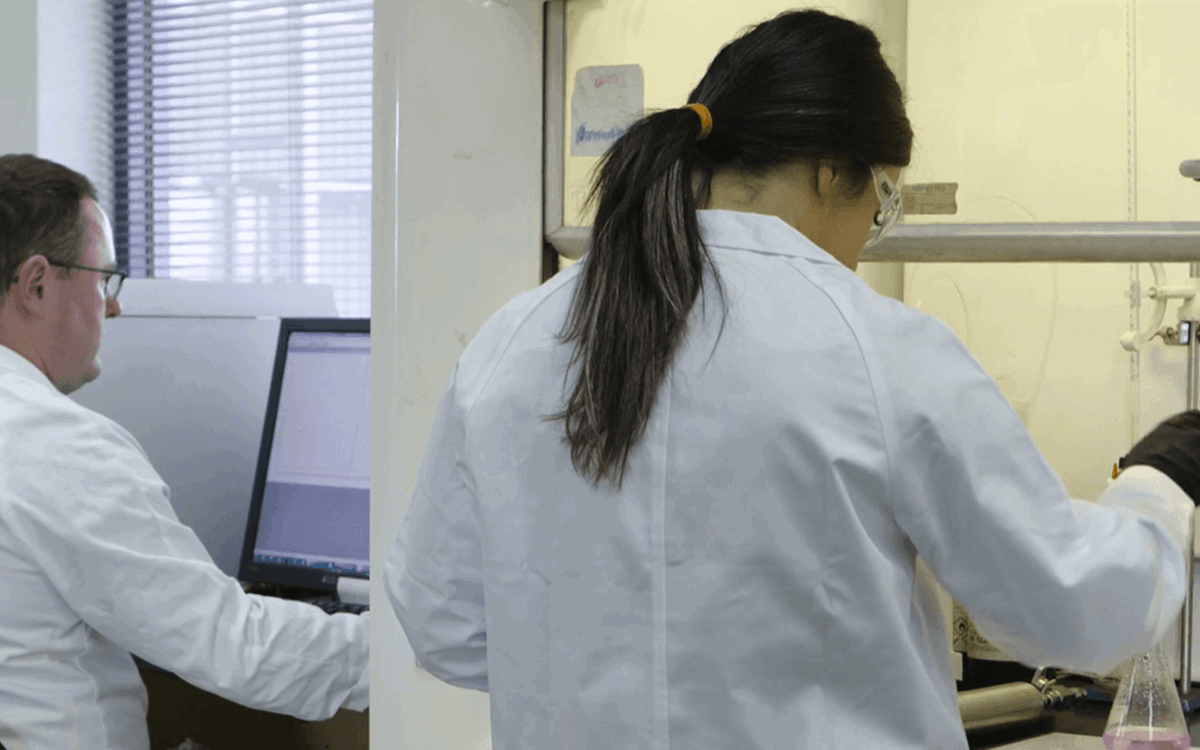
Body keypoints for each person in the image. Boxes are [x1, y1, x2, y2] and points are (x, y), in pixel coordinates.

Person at [384, 8, 1196, 750]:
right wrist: (1162, 485)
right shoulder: (880, 350)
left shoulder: (514, 338)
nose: (870, 239)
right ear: (830, 171)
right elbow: (1068, 608)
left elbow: (444, 623)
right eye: (882, 204)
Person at [0, 154, 370, 750]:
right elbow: (230, 645)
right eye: (102, 280)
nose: (113, 306)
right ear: (37, 284)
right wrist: (405, 647)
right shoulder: (54, 444)